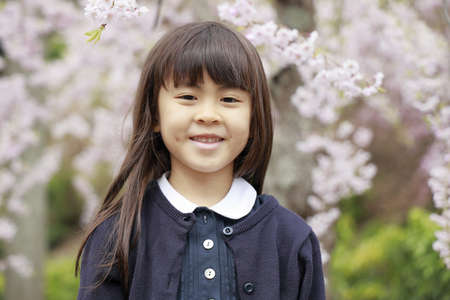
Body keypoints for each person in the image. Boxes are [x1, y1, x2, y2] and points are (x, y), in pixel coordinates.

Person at [75, 20, 326, 300]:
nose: (208, 115)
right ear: (155, 115)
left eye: (229, 99)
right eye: (187, 96)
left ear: (255, 120)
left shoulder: (291, 239)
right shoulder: (116, 237)